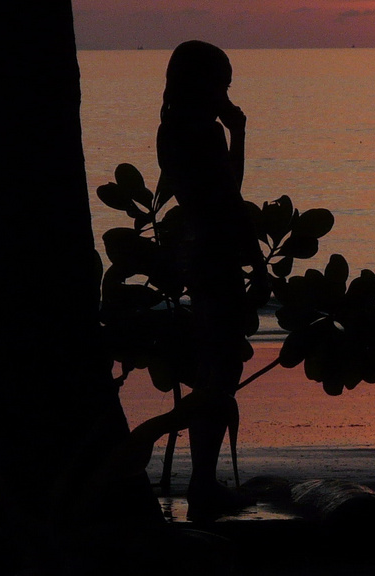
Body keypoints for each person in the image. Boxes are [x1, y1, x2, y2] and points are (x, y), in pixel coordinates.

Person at [155, 40, 256, 520]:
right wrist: (238, 133)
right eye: (223, 84)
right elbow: (228, 194)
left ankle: (203, 480)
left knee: (215, 366)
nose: (227, 94)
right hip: (214, 253)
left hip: (194, 248)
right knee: (221, 370)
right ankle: (203, 484)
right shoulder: (204, 132)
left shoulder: (170, 128)